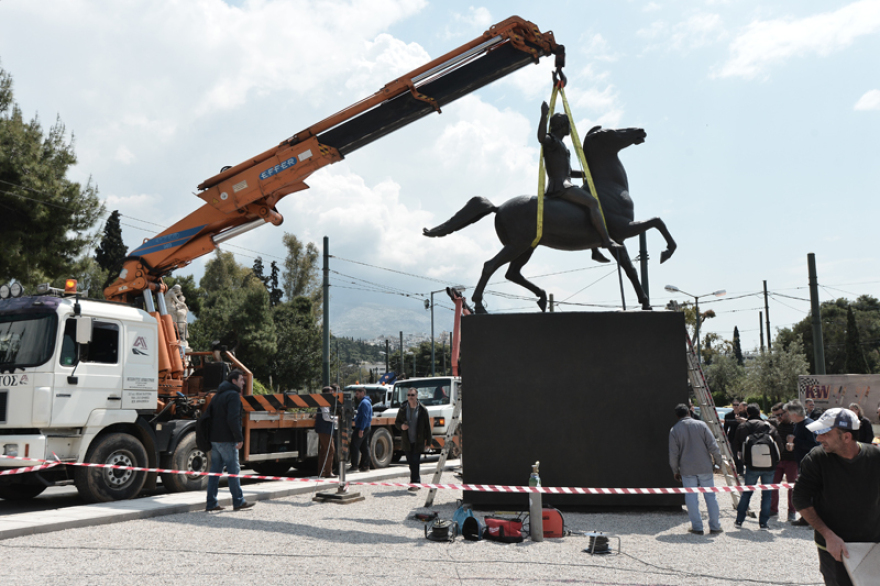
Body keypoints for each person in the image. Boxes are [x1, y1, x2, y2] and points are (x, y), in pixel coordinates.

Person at [792, 408, 880, 586]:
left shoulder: (875, 457)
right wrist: (828, 535)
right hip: (834, 548)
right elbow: (800, 499)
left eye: (824, 433)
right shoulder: (816, 459)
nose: (818, 439)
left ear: (846, 437)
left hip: (872, 547)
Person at [538, 102, 622, 262]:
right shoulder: (553, 142)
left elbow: (567, 171)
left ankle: (594, 250)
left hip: (566, 183)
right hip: (560, 187)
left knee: (584, 208)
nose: (571, 128)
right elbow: (541, 138)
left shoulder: (561, 145)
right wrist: (544, 115)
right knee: (592, 203)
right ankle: (606, 241)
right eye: (569, 124)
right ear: (562, 125)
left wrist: (586, 173)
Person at [669, 403, 723, 535]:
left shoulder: (674, 430)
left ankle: (697, 527)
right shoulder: (702, 425)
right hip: (704, 466)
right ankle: (715, 526)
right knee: (710, 496)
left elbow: (673, 453)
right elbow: (713, 446)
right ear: (689, 412)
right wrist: (719, 463)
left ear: (677, 416)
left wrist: (675, 470)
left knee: (691, 498)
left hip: (687, 469)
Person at [206, 369, 255, 512]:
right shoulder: (233, 396)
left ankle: (211, 503)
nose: (243, 382)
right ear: (234, 381)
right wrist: (239, 437)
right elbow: (233, 419)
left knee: (215, 472)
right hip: (227, 439)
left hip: (215, 439)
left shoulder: (217, 396)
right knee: (234, 470)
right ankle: (238, 501)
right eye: (241, 379)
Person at [733, 403, 783, 530]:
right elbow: (779, 447)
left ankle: (739, 521)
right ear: (759, 413)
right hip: (769, 466)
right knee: (767, 495)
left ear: (747, 413)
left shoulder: (743, 426)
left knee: (747, 493)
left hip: (751, 466)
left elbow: (736, 445)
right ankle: (763, 523)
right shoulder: (769, 426)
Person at [786, 400, 819, 526]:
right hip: (801, 463)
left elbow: (814, 446)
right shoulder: (797, 425)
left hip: (811, 465)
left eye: (789, 413)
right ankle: (806, 518)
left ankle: (814, 521)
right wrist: (793, 445)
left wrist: (796, 441)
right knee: (804, 493)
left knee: (811, 493)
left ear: (794, 414)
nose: (788, 416)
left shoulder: (809, 425)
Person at [395, 387, 431, 492]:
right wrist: (401, 426)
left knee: (416, 462)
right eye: (409, 395)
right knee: (411, 463)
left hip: (418, 441)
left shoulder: (422, 410)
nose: (410, 397)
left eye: (412, 395)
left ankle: (416, 483)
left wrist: (428, 442)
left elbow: (427, 427)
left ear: (417, 396)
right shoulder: (402, 409)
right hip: (407, 441)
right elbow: (397, 422)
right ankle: (414, 482)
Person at [769, 402, 799, 522]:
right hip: (777, 461)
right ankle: (773, 510)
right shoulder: (774, 425)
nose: (779, 417)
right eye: (776, 415)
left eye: (781, 414)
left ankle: (792, 512)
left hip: (792, 461)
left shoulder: (796, 426)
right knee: (773, 486)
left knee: (792, 487)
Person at [315, 386, 338, 478]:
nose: (332, 394)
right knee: (330, 450)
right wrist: (336, 418)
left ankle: (322, 472)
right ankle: (328, 472)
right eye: (331, 392)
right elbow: (326, 417)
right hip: (325, 429)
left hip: (325, 429)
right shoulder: (324, 402)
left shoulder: (325, 402)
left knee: (324, 451)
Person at [349, 386, 373, 472]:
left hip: (362, 427)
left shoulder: (364, 403)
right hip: (365, 427)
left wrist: (361, 429)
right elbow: (360, 416)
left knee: (354, 446)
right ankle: (365, 466)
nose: (356, 395)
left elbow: (365, 417)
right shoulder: (366, 402)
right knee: (364, 447)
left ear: (363, 393)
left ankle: (355, 466)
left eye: (358, 394)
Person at [723, 399, 747, 475]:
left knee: (743, 455)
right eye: (734, 405)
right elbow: (725, 428)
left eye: (737, 405)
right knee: (735, 455)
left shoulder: (744, 415)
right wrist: (725, 438)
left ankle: (742, 469)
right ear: (732, 406)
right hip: (733, 438)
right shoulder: (728, 415)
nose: (736, 406)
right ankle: (739, 469)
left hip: (743, 438)